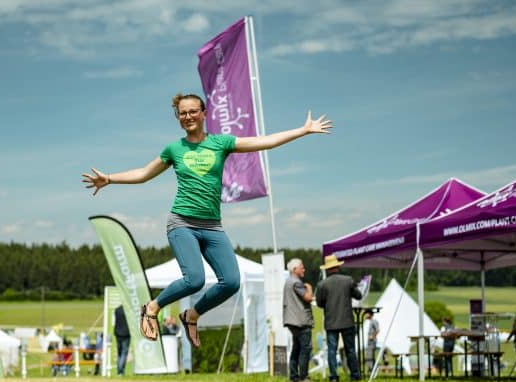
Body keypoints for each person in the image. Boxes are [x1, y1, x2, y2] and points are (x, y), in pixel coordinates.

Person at [83, 92, 332, 347]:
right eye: (182, 113)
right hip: (182, 223)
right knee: (195, 279)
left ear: (204, 113)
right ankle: (152, 307)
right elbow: (144, 173)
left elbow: (262, 142)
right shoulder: (174, 149)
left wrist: (302, 131)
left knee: (231, 282)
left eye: (193, 111)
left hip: (212, 226)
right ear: (178, 117)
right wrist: (109, 178)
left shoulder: (221, 143)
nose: (188, 116)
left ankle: (192, 315)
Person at [315, 254, 362, 382]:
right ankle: (355, 375)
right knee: (350, 349)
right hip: (347, 321)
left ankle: (334, 377)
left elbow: (319, 303)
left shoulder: (322, 284)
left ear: (327, 269)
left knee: (332, 350)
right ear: (337, 267)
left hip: (331, 322)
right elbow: (358, 296)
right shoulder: (348, 280)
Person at [282, 258, 314, 382]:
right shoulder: (296, 283)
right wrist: (309, 288)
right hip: (301, 321)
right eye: (302, 267)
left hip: (292, 320)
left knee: (296, 348)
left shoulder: (288, 281)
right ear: (295, 269)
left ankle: (294, 376)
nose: (304, 269)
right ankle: (303, 377)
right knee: (305, 348)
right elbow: (308, 297)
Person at [114, 305, 130, 376]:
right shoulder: (128, 310)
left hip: (118, 333)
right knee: (124, 353)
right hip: (126, 334)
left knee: (119, 353)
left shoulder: (117, 310)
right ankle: (121, 370)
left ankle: (119, 371)